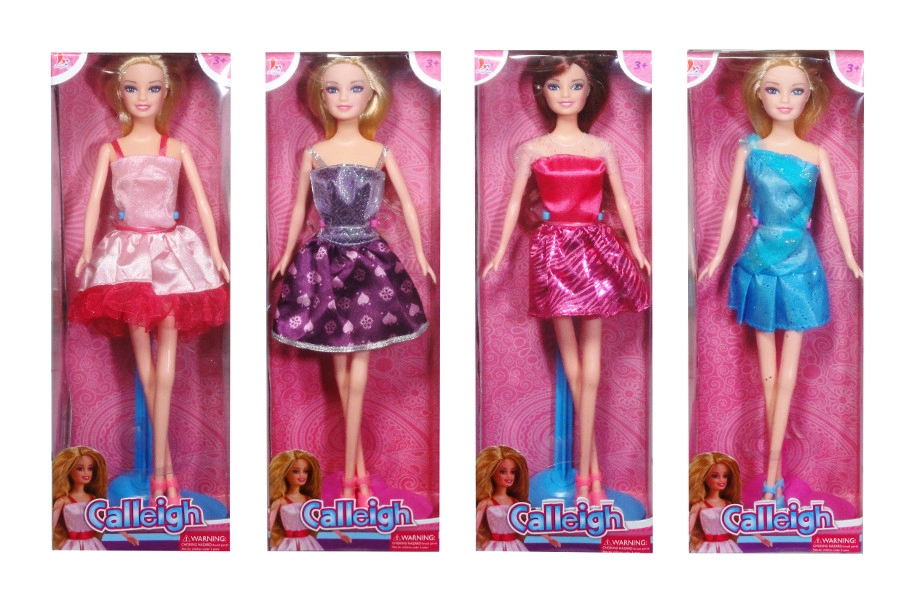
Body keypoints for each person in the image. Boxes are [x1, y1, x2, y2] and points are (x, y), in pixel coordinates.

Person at [482, 55, 650, 505]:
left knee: (592, 364)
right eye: (555, 86)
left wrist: (636, 249)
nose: (566, 95)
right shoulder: (533, 149)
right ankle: (589, 473)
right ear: (542, 92)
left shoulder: (601, 148)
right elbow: (514, 203)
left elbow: (623, 202)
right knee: (572, 362)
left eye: (576, 86)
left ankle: (590, 475)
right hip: (555, 251)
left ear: (590, 90)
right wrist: (499, 252)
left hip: (597, 249)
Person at [698, 55, 862, 506]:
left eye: (796, 90)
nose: (785, 99)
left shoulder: (816, 154)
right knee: (767, 376)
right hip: (759, 261)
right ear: (758, 93)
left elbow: (837, 212)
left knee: (786, 376)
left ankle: (774, 479)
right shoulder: (749, 150)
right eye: (773, 89)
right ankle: (773, 479)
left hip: (800, 262)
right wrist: (716, 256)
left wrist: (851, 257)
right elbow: (730, 210)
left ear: (810, 96)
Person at [272, 56, 436, 506]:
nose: (344, 97)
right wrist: (285, 255)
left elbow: (408, 204)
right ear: (321, 96)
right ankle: (356, 473)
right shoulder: (314, 153)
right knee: (339, 366)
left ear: (371, 97)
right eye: (333, 89)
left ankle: (351, 477)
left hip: (367, 262)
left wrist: (421, 254)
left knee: (357, 366)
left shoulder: (380, 152)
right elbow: (299, 209)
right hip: (324, 260)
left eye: (355, 88)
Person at [69, 55, 229, 504]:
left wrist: (217, 253)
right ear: (119, 93)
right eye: (132, 88)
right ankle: (164, 475)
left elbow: (202, 201)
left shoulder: (175, 148)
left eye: (153, 88)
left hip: (171, 255)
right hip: (127, 260)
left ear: (166, 92)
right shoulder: (111, 150)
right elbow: (93, 204)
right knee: (146, 365)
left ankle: (164, 474)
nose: (142, 97)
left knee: (167, 368)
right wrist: (86, 251)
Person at [52, 446, 139, 550]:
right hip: (71, 546)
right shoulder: (63, 500)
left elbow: (109, 519)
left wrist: (126, 535)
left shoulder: (93, 499)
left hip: (92, 545)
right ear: (69, 471)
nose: (86, 473)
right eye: (80, 469)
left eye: (90, 468)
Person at [475, 445, 559, 550]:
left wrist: (548, 538)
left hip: (514, 546)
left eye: (513, 472)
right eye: (502, 472)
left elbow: (531, 522)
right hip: (494, 546)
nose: (509, 476)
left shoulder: (515, 502)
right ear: (491, 473)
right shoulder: (487, 502)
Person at [688, 451, 771, 552]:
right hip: (707, 548)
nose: (721, 480)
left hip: (727, 547)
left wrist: (760, 537)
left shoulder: (728, 504)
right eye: (715, 476)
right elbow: (689, 528)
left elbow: (744, 523)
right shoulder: (699, 505)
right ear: (704, 477)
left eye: (725, 476)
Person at [268, 450, 350, 550]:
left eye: (305, 471)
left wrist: (340, 534)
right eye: (295, 471)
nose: (302, 475)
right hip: (287, 544)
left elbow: (324, 518)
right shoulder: (280, 501)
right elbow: (269, 526)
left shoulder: (308, 500)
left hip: (307, 543)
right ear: (285, 473)